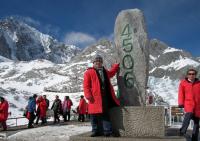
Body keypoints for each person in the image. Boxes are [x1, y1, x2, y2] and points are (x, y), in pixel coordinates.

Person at [83, 55, 120, 137]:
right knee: (93, 115)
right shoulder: (88, 72)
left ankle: (108, 132)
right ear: (93, 63)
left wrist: (116, 66)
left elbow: (111, 73)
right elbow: (86, 85)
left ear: (102, 63)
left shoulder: (105, 71)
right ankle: (95, 131)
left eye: (100, 61)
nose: (98, 63)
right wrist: (88, 95)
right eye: (96, 61)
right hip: (93, 97)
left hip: (104, 96)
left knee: (105, 114)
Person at [178, 68, 200, 141]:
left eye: (193, 74)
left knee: (196, 124)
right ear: (187, 75)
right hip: (188, 104)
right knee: (189, 114)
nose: (191, 75)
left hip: (198, 106)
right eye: (189, 74)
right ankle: (182, 131)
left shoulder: (199, 83)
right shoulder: (183, 83)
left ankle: (195, 138)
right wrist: (181, 103)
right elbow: (181, 94)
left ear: (195, 75)